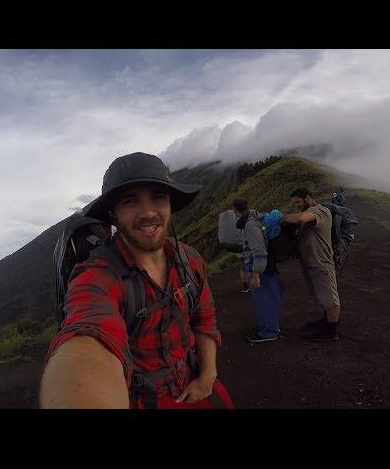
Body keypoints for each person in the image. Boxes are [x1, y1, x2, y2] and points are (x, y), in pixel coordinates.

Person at [39, 152, 234, 409]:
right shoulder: (99, 275)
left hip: (195, 385)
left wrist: (208, 375)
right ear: (114, 213)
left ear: (171, 205)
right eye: (131, 202)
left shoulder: (190, 260)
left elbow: (204, 319)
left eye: (158, 198)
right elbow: (88, 332)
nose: (148, 212)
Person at [282, 187, 340, 341]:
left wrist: (281, 217)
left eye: (298, 202)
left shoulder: (320, 211)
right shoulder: (309, 212)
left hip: (321, 261)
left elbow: (302, 218)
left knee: (330, 298)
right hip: (311, 262)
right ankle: (326, 321)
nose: (297, 205)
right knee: (321, 295)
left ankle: (331, 331)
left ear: (308, 198)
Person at [234, 198, 284, 343]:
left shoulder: (250, 225)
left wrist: (256, 274)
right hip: (267, 265)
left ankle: (268, 332)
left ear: (235, 210)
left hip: (259, 267)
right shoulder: (255, 218)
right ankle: (272, 327)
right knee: (270, 296)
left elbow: (258, 249)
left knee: (263, 299)